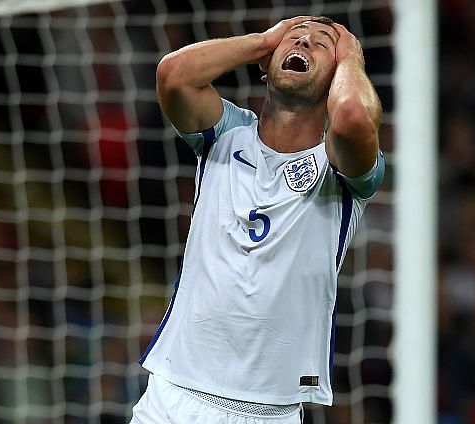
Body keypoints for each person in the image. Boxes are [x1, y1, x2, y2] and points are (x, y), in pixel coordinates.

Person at [130, 15, 385, 424]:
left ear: (338, 77)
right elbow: (173, 73)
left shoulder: (340, 169)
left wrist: (351, 56)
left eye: (320, 44)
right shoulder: (223, 134)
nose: (302, 44)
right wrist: (264, 41)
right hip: (173, 397)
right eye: (294, 38)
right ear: (266, 65)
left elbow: (354, 114)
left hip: (269, 412)